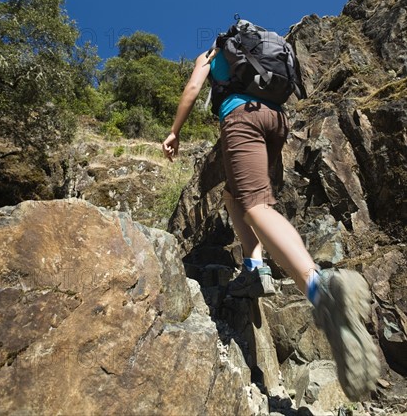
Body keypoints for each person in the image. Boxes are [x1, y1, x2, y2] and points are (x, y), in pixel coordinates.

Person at [162, 45, 380, 401]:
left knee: (256, 206)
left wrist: (174, 131)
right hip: (276, 119)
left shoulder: (213, 52)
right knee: (235, 196)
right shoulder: (257, 54)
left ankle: (320, 288)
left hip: (242, 116)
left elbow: (192, 89)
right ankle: (255, 267)